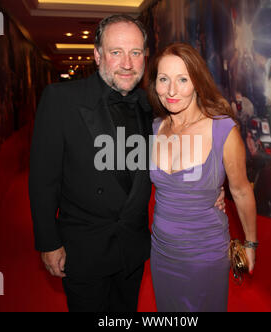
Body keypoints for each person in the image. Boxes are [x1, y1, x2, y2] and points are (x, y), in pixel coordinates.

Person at [29, 15, 225, 312]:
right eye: (116, 52)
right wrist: (48, 242)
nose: (127, 63)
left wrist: (211, 189)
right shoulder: (60, 99)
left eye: (135, 53)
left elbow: (190, 144)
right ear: (97, 55)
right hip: (83, 248)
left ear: (145, 57)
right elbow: (43, 179)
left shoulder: (155, 106)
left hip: (132, 247)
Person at [147, 43, 258, 312]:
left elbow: (242, 191)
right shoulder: (156, 127)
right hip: (161, 252)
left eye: (182, 79)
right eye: (164, 79)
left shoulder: (222, 130)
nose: (171, 91)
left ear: (197, 82)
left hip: (205, 255)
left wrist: (250, 243)